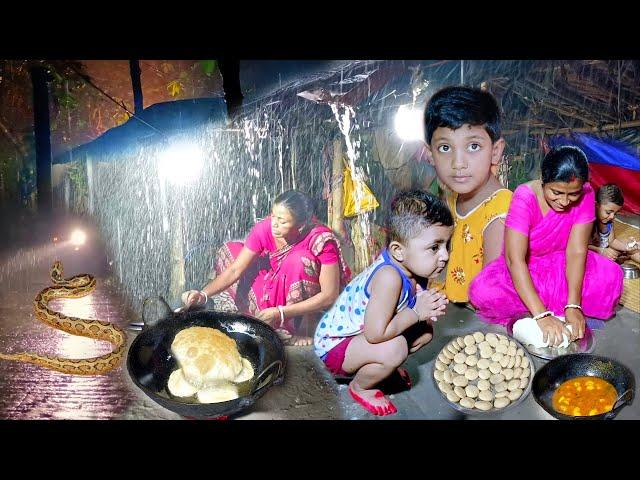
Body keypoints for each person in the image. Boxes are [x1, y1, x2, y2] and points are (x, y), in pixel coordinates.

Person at [314, 190, 452, 416]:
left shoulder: (411, 268)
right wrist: (417, 312)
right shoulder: (389, 277)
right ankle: (361, 387)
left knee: (424, 333)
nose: (445, 256)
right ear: (398, 250)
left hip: (358, 339)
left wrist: (427, 306)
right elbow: (375, 335)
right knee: (395, 349)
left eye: (447, 245)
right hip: (334, 348)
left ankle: (379, 370)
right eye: (435, 247)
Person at [469, 146, 624, 346]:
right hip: (526, 267)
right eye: (556, 192)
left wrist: (573, 304)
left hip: (563, 265)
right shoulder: (524, 197)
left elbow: (576, 251)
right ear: (543, 178)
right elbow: (514, 259)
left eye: (572, 194)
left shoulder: (586, 195)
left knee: (610, 277)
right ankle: (541, 304)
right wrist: (542, 315)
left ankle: (539, 304)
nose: (564, 201)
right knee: (483, 291)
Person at [182, 190, 351, 346]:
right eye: (273, 216)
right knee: (232, 250)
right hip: (277, 283)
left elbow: (329, 295)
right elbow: (236, 269)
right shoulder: (265, 228)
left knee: (298, 260)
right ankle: (268, 320)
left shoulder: (321, 240)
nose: (274, 225)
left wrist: (281, 312)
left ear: (301, 225)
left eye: (282, 221)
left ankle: (299, 329)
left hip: (308, 298)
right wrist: (203, 294)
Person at [424, 86, 512, 304]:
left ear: (495, 151)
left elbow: (491, 297)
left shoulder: (502, 212)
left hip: (478, 320)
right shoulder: (452, 200)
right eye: (445, 148)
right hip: (450, 308)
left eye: (473, 146)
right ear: (430, 155)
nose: (458, 164)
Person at [589, 184, 639, 264]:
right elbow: (581, 246)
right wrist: (600, 251)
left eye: (615, 213)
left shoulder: (608, 221)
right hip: (590, 252)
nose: (612, 216)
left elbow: (612, 241)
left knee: (633, 249)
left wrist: (627, 247)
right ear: (596, 205)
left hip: (605, 250)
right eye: (608, 212)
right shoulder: (588, 222)